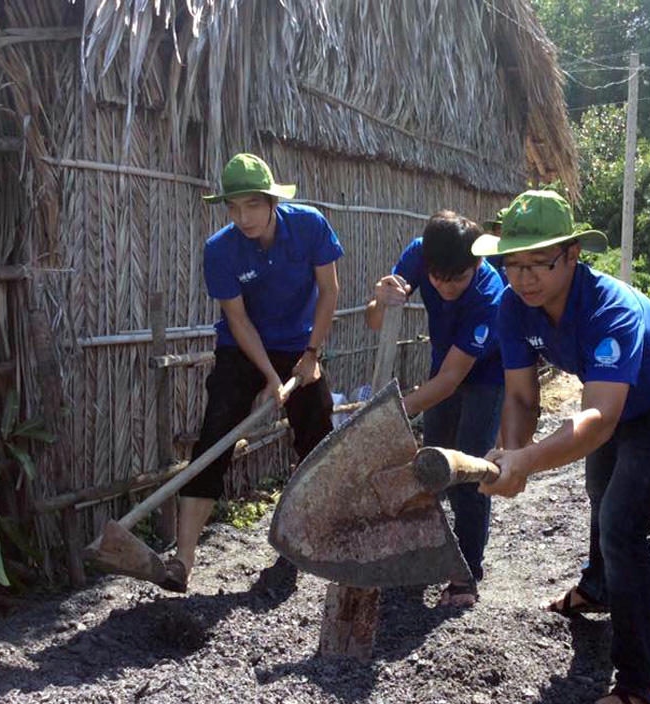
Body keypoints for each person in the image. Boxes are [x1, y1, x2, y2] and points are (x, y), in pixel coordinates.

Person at [475, 190, 650, 704]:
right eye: (512, 264)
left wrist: (527, 462)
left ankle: (636, 687)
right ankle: (597, 589)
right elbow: (520, 398)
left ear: (574, 254)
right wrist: (510, 454)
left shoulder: (611, 307)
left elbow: (598, 419)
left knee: (623, 526)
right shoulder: (513, 307)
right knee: (600, 497)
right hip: (615, 407)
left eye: (539, 263)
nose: (524, 277)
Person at [164, 153, 342, 593]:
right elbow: (238, 321)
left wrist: (311, 354)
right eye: (234, 208)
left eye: (252, 206)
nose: (243, 218)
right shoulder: (220, 250)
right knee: (216, 433)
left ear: (271, 202)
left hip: (301, 344)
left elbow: (329, 290)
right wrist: (267, 377)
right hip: (243, 349)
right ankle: (183, 558)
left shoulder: (310, 226)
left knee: (317, 429)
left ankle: (309, 534)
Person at [365, 211, 505, 607]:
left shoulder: (489, 295)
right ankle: (424, 557)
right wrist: (380, 296)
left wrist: (393, 412)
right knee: (429, 464)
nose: (444, 287)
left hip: (486, 375)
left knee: (468, 470)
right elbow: (375, 322)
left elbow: (451, 381)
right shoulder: (419, 257)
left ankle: (465, 576)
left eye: (456, 279)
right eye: (437, 277)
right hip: (444, 363)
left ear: (476, 264)